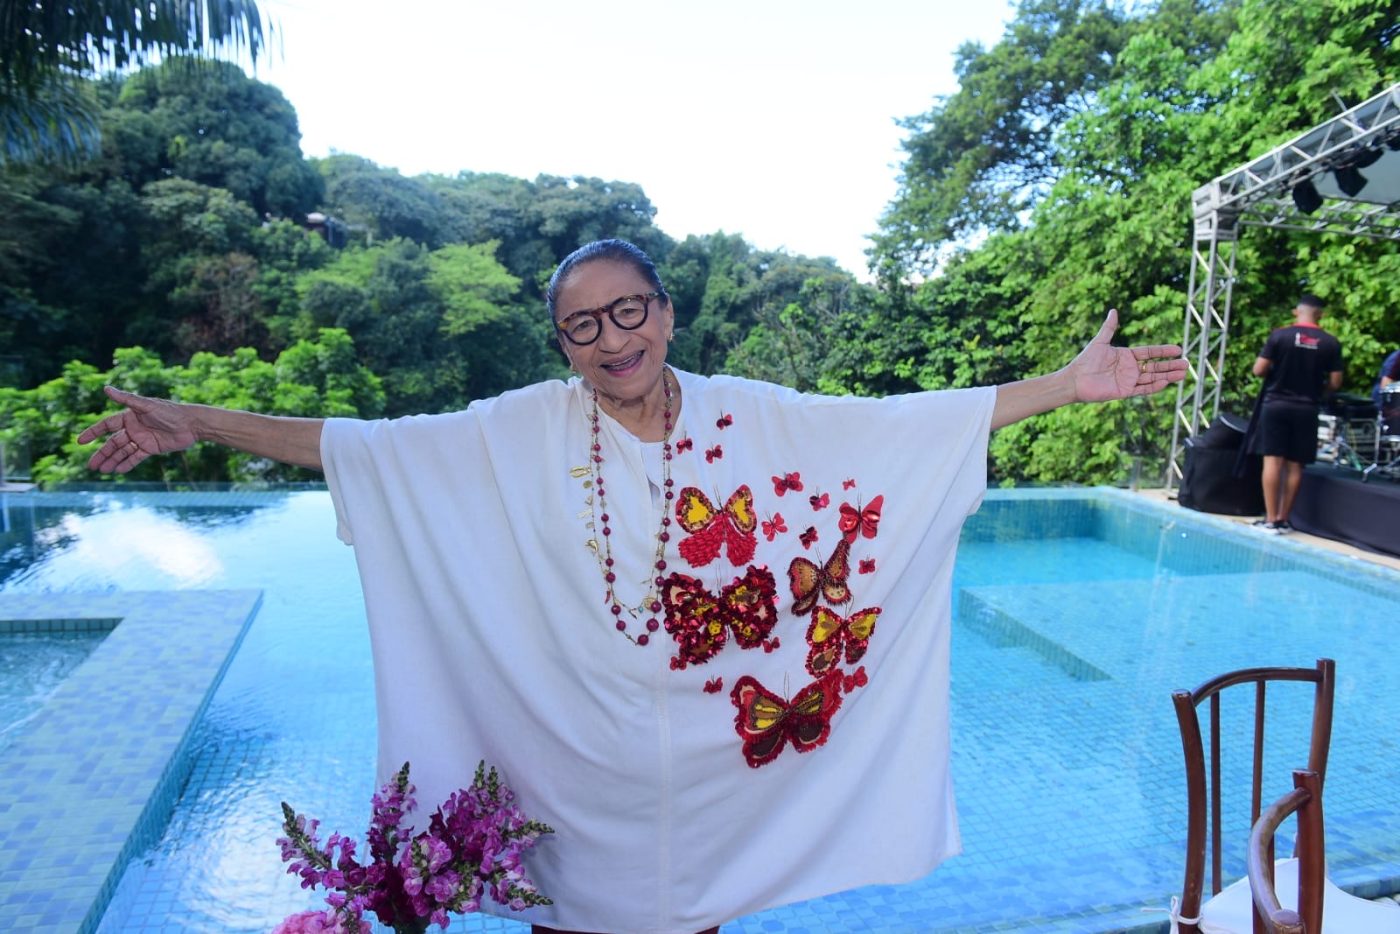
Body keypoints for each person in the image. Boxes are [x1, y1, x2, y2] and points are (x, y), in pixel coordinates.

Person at [79, 239, 1186, 934]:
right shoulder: (516, 429)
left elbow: (898, 431)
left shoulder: (751, 414)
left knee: (692, 912)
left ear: (664, 312)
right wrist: (196, 420)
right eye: (581, 324)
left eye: (627, 311)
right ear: (561, 342)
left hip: (711, 771)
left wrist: (1064, 387)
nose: (610, 339)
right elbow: (364, 446)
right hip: (570, 766)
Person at [1247, 293, 1343, 533]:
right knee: (1294, 465)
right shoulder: (1330, 342)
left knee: (1272, 460)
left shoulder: (1280, 336)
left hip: (1276, 404)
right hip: (1307, 408)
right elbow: (1335, 383)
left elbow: (1258, 370)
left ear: (1296, 311)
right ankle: (1283, 519)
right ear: (1320, 314)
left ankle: (1269, 520)